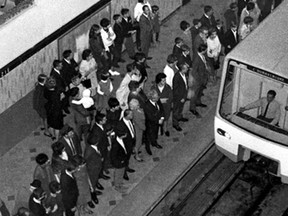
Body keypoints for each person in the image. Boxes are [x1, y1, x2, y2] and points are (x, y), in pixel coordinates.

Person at [87, 113, 111, 180]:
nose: (106, 119)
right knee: (100, 163)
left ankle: (103, 170)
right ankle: (100, 174)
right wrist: (99, 153)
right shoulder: (96, 131)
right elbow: (96, 143)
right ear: (100, 122)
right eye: (104, 119)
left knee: (104, 161)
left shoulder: (102, 125)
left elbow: (105, 136)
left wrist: (108, 144)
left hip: (104, 146)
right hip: (100, 149)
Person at [189, 44, 210, 118]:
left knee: (200, 92)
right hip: (198, 80)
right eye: (205, 49)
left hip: (202, 78)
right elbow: (194, 72)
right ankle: (192, 108)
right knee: (194, 94)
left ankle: (198, 102)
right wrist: (199, 79)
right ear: (203, 50)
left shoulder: (202, 56)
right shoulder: (197, 59)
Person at [116, 109, 136, 180]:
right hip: (125, 144)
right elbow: (120, 136)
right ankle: (124, 173)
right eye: (131, 114)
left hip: (130, 142)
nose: (132, 115)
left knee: (128, 157)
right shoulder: (120, 124)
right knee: (124, 158)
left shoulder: (129, 120)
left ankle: (127, 167)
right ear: (127, 115)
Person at [144, 90, 164, 155]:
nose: (158, 98)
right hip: (150, 124)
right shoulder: (147, 106)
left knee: (155, 134)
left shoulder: (157, 100)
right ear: (151, 98)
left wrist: (162, 117)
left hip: (157, 122)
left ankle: (154, 143)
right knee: (148, 136)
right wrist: (158, 121)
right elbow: (150, 117)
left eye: (158, 97)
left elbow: (161, 108)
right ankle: (147, 148)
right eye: (156, 98)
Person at [110, 127, 129, 193]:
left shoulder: (120, 139)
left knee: (121, 173)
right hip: (119, 163)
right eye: (125, 134)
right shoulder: (115, 145)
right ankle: (117, 186)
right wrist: (119, 162)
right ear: (122, 135)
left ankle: (120, 183)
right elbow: (113, 156)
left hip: (122, 160)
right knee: (118, 174)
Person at [172, 64, 188, 132]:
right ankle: (175, 123)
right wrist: (181, 98)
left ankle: (179, 117)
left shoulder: (184, 74)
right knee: (176, 110)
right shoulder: (177, 77)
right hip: (179, 97)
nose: (187, 70)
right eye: (186, 68)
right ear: (182, 69)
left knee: (180, 108)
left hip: (183, 95)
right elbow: (176, 90)